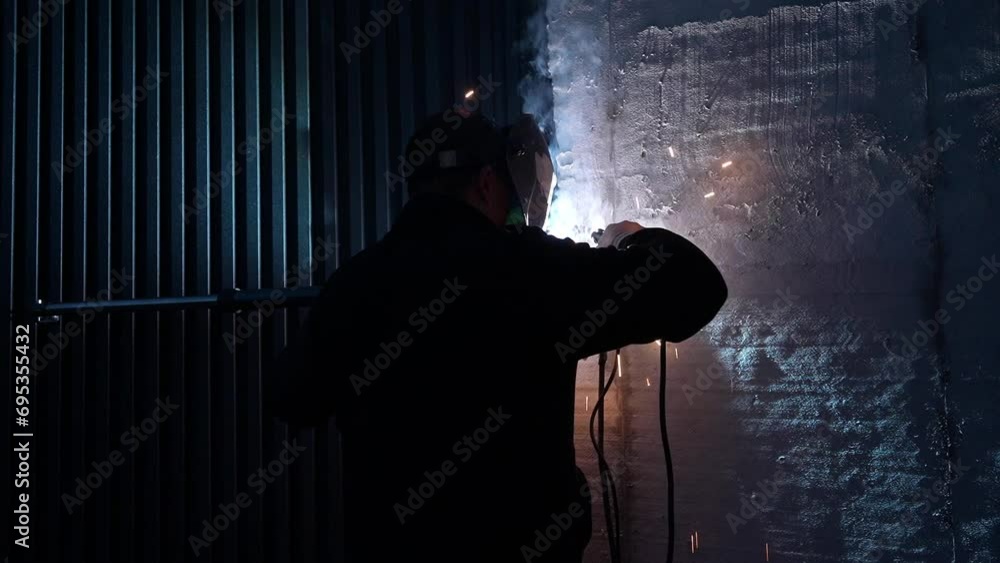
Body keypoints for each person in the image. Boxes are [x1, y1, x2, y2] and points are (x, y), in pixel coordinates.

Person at [271, 111, 727, 563]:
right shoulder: (529, 268)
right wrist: (629, 241)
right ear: (487, 182)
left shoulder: (355, 282)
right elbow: (697, 286)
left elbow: (294, 399)